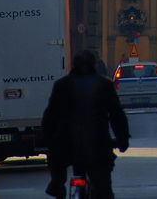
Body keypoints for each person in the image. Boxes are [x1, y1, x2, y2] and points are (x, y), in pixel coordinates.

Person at [42, 49, 130, 199]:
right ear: (94, 65)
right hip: (98, 146)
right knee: (103, 188)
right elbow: (117, 115)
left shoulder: (62, 85)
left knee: (57, 166)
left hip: (67, 146)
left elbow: (50, 116)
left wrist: (49, 140)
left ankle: (57, 185)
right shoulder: (104, 85)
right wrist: (122, 140)